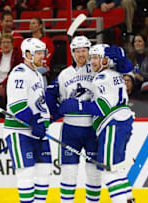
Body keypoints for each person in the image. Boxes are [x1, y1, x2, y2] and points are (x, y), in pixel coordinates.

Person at [58, 44, 135, 203]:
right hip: (122, 123)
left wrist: (77, 105)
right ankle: (128, 200)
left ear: (105, 60)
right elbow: (126, 66)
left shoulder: (102, 77)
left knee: (108, 172)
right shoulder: (115, 73)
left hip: (112, 125)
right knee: (117, 170)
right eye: (91, 57)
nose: (91, 61)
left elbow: (103, 106)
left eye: (95, 57)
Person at [45, 36, 102, 202]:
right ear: (72, 53)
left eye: (84, 50)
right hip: (71, 129)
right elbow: (50, 94)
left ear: (89, 51)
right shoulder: (65, 74)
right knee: (68, 173)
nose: (81, 54)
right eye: (77, 51)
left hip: (93, 128)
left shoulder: (97, 70)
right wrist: (54, 113)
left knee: (93, 174)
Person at [4, 38, 52, 203]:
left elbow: (39, 103)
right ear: (28, 54)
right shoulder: (19, 73)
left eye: (42, 53)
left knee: (45, 172)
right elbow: (17, 105)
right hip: (20, 131)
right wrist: (33, 121)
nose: (42, 56)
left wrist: (45, 121)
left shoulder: (38, 74)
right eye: (38, 53)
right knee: (26, 175)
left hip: (38, 131)